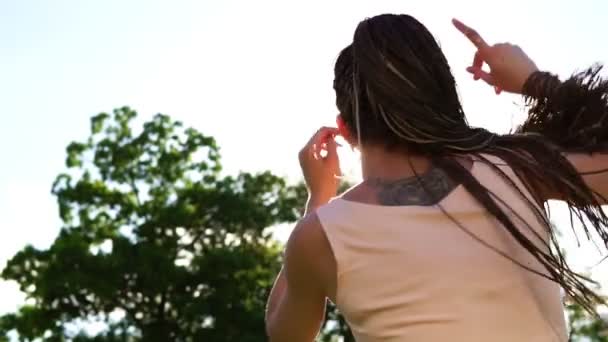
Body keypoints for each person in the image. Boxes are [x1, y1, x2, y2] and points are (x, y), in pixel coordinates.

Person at [265, 14, 608, 342]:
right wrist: (536, 82)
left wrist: (318, 200)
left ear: (344, 129)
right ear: (442, 98)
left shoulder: (321, 235)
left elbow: (285, 334)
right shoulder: (517, 169)